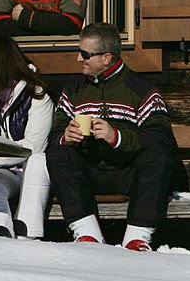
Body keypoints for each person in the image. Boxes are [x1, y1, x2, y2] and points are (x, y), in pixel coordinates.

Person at [46, 23, 177, 251]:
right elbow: (54, 134)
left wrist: (117, 137)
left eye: (85, 54)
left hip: (129, 173)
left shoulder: (141, 90)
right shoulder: (73, 90)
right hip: (89, 172)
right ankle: (87, 235)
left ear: (106, 58)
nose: (79, 59)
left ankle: (137, 238)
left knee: (158, 156)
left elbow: (160, 137)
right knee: (58, 152)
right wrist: (65, 137)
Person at [0, 36, 54, 238]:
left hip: (34, 171)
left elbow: (32, 147)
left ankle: (27, 232)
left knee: (36, 161)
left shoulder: (37, 95)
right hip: (5, 170)